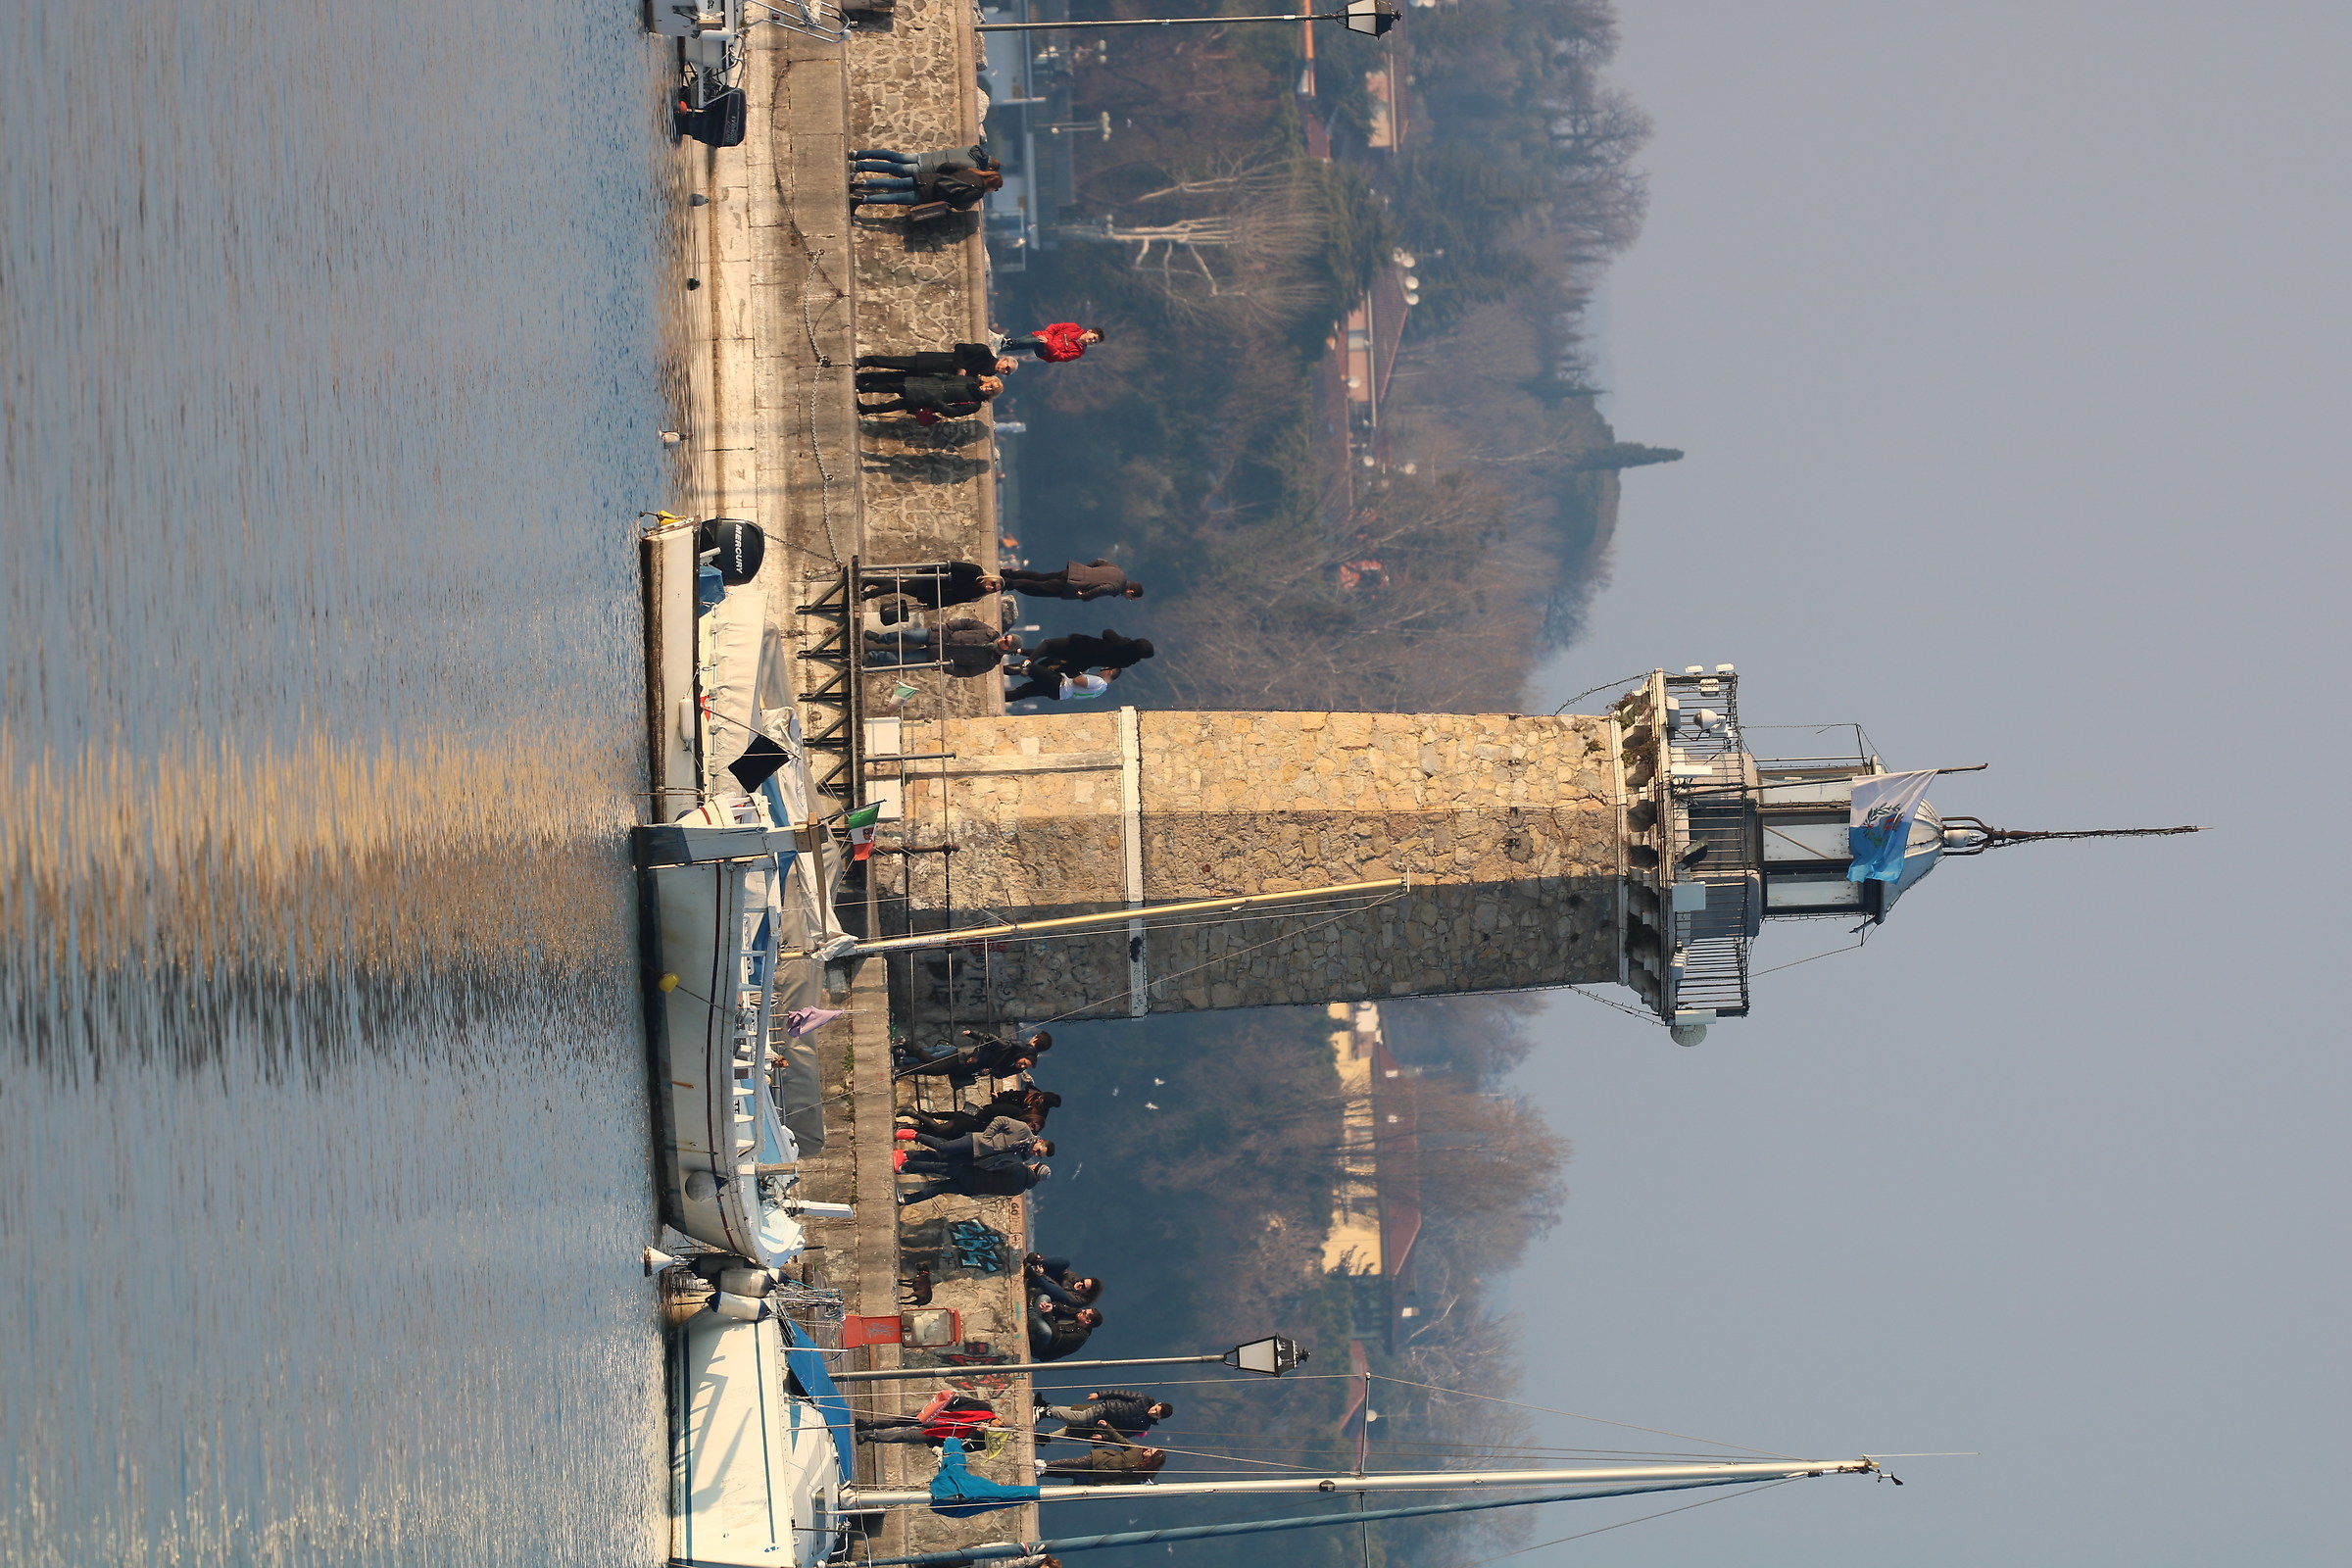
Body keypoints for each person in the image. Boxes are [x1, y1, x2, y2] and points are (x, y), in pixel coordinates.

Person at [852, 145, 1003, 211]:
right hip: (927, 177)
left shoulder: (973, 150)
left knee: (893, 157)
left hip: (925, 160)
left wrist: (939, 175)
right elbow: (959, 202)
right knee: (894, 178)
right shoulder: (975, 176)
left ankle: (858, 156)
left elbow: (949, 166)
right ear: (989, 169)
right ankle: (861, 182)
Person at [863, 620, 1021, 677]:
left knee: (905, 659)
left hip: (939, 657)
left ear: (1007, 649)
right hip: (940, 636)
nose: (1003, 639)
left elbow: (966, 672)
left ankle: (872, 658)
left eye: (1006, 642)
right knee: (908, 635)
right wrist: (947, 627)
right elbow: (966, 623)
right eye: (1006, 637)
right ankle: (879, 638)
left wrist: (947, 667)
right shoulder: (989, 632)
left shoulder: (989, 663)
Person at [898, 1118, 1054, 1173]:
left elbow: (1003, 1164)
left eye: (1039, 1155)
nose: (1036, 1153)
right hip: (976, 1142)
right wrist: (987, 1136)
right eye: (1039, 1151)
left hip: (977, 1160)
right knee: (943, 1147)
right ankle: (913, 1134)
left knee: (940, 1159)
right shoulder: (1023, 1130)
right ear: (1040, 1142)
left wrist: (988, 1166)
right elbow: (1001, 1120)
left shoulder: (1022, 1157)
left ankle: (905, 1155)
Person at [898, 1027, 1053, 1081]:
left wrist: (990, 1071)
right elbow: (989, 1038)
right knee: (931, 1062)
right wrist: (977, 1052)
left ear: (1036, 1039)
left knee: (931, 1059)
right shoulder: (1010, 1048)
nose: (1022, 1066)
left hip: (967, 1064)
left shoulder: (1014, 1061)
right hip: (965, 1056)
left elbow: (1000, 1073)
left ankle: (902, 1056)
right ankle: (903, 1050)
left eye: (1025, 1066)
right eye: (1024, 1063)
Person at [854, 1390, 998, 1447]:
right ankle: (869, 1424)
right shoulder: (984, 1408)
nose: (996, 1426)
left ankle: (871, 1436)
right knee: (903, 1420)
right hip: (938, 1417)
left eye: (1000, 1429)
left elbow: (963, 1448)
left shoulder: (985, 1441)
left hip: (938, 1436)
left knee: (905, 1436)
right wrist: (943, 1404)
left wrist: (978, 1432)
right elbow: (960, 1401)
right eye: (999, 1424)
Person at [902, 1087, 1060, 1138]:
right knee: (941, 1130)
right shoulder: (1017, 1111)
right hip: (979, 1121)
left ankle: (909, 1124)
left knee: (943, 1131)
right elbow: (997, 1107)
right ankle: (914, 1114)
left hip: (980, 1123)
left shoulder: (1034, 1113)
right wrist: (999, 1098)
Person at [855, 370, 1001, 422]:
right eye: (990, 385)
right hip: (926, 384)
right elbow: (950, 378)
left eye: (990, 390)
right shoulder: (971, 380)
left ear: (990, 395)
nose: (988, 388)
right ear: (988, 381)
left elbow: (953, 412)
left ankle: (866, 409)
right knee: (893, 386)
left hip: (928, 399)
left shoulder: (975, 404)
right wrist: (937, 375)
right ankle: (864, 388)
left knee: (895, 405)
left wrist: (938, 404)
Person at [1035, 1390, 1173, 1441]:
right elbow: (1119, 1393)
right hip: (1105, 1408)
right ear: (1157, 1404)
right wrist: (1100, 1394)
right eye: (1156, 1409)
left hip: (1104, 1423)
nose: (1153, 1412)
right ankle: (1045, 1411)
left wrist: (1104, 1436)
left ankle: (1045, 1409)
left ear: (1159, 1419)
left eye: (1157, 1415)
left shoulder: (1143, 1426)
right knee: (1080, 1417)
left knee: (1074, 1419)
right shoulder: (1143, 1399)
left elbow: (1121, 1434)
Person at [1036, 1430, 1165, 1485]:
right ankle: (1046, 1464)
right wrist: (1107, 1428)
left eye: (1150, 1452)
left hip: (1101, 1474)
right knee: (1074, 1463)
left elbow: (1126, 1482)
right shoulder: (1136, 1449)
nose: (1147, 1450)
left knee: (1072, 1472)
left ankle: (1045, 1472)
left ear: (1152, 1459)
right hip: (1100, 1459)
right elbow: (1120, 1440)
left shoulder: (1141, 1474)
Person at [899, 1159, 1051, 1205]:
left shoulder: (1019, 1169)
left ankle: (906, 1167)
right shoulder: (1020, 1189)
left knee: (940, 1167)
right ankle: (907, 1199)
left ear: (1036, 1168)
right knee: (939, 1187)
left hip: (972, 1173)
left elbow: (993, 1165)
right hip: (974, 1188)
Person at [1023, 630, 1154, 682]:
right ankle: (1025, 667)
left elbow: (1107, 633)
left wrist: (1126, 639)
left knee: (1048, 645)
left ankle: (1028, 662)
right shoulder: (1126, 662)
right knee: (1050, 658)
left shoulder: (1123, 644)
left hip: (1080, 645)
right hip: (1082, 661)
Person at [859, 562, 1004, 609]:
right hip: (931, 581)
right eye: (993, 584)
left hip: (933, 594)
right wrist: (928, 570)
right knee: (901, 587)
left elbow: (953, 601)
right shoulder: (974, 571)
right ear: (990, 578)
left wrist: (933, 606)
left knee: (900, 586)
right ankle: (867, 595)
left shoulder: (976, 596)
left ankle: (870, 581)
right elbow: (951, 566)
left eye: (993, 589)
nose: (990, 587)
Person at [1002, 560, 1142, 602]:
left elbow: (1100, 561)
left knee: (1040, 577)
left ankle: (1008, 574)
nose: (1128, 598)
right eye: (1131, 598)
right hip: (1072, 585)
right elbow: (1102, 589)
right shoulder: (1117, 588)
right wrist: (1085, 596)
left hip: (1073, 572)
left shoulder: (1118, 570)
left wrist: (1086, 570)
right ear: (1131, 591)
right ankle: (1009, 583)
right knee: (1039, 587)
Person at [858, 343, 1020, 378]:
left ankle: (863, 379)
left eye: (1007, 372)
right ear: (1003, 359)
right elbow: (960, 347)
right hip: (936, 362)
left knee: (897, 378)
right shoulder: (984, 352)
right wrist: (960, 368)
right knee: (895, 362)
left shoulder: (987, 378)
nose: (1004, 371)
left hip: (937, 376)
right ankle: (865, 361)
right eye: (1006, 367)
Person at [1028, 1301, 1102, 1361]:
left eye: (1084, 1313)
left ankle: (1032, 1316)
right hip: (1047, 1324)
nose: (1082, 1311)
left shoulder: (1079, 1336)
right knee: (1044, 1298)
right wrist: (1051, 1306)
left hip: (1042, 1348)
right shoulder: (1078, 1314)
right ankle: (1033, 1317)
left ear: (1087, 1321)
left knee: (1046, 1332)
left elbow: (1055, 1337)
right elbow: (1063, 1308)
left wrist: (1047, 1314)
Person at [1024, 1254, 1103, 1310]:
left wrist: (1042, 1276)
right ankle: (1037, 1261)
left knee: (1061, 1293)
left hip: (1048, 1294)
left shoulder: (1079, 1300)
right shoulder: (1075, 1277)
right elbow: (1061, 1270)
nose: (1080, 1283)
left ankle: (1034, 1276)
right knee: (1065, 1262)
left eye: (1083, 1286)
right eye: (1082, 1281)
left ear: (1086, 1293)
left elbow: (1061, 1293)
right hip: (1044, 1278)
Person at [1003, 322, 1105, 363]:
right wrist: (1047, 337)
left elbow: (1059, 356)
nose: (1092, 341)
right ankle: (1004, 345)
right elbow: (1055, 327)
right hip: (1042, 336)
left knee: (1038, 342)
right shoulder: (1074, 327)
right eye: (1093, 338)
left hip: (1045, 352)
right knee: (1027, 341)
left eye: (1095, 342)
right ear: (1090, 331)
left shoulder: (1078, 352)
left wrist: (1048, 343)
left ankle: (1008, 342)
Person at [1004, 669, 1110, 705]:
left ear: (1110, 672)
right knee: (1025, 691)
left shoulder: (1099, 682)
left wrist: (1077, 672)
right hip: (1060, 694)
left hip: (1060, 683)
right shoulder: (1100, 691)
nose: (1102, 668)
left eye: (1106, 668)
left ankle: (1000, 668)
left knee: (1029, 667)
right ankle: (1003, 697)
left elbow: (1077, 680)